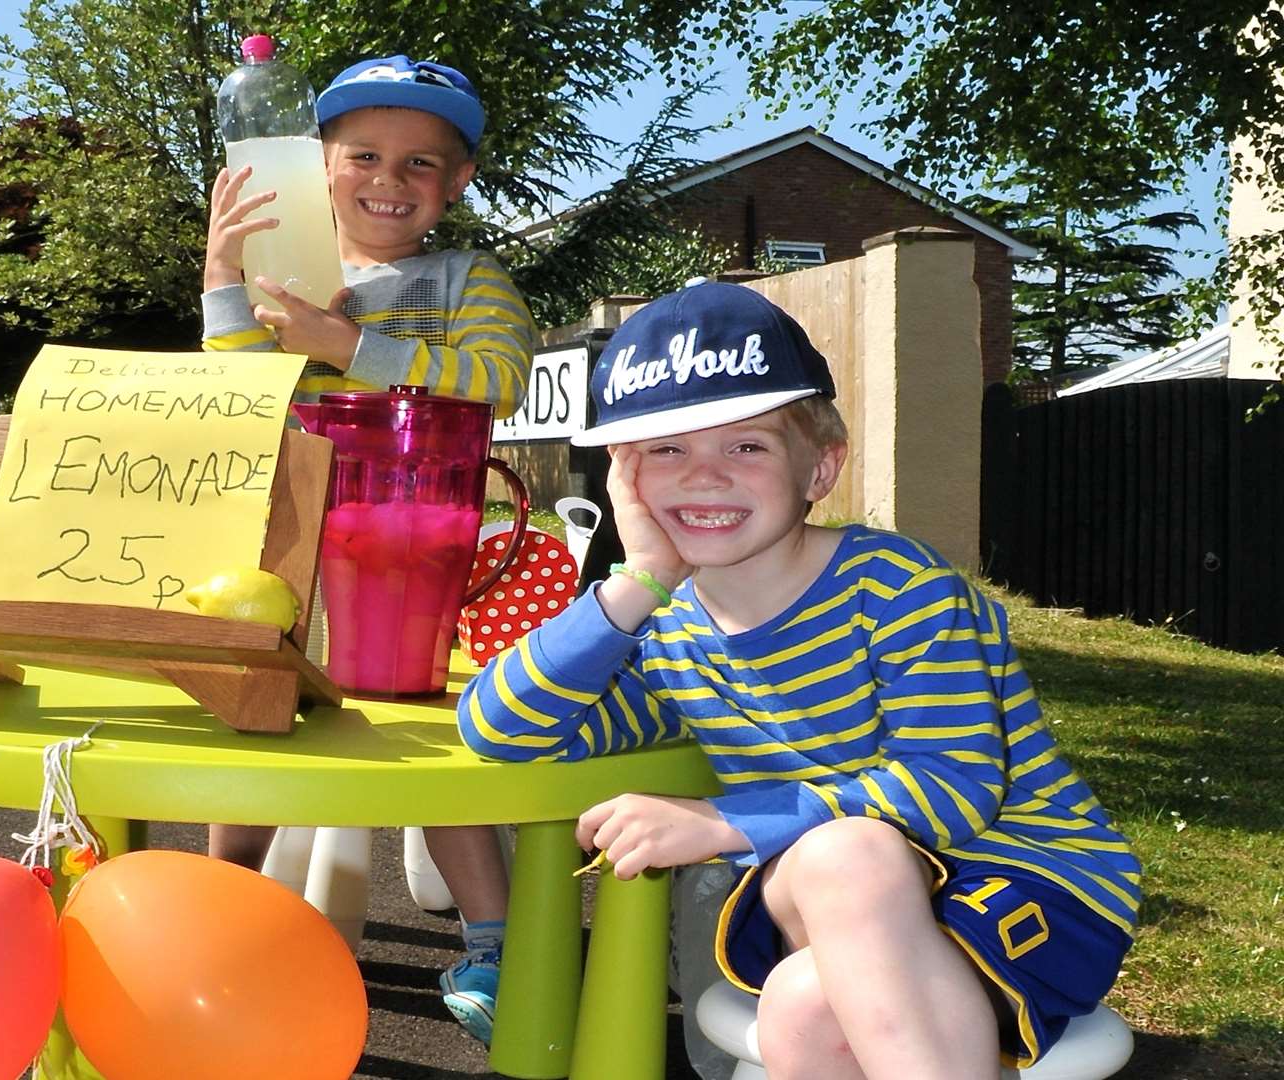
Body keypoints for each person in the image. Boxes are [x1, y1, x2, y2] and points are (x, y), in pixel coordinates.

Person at [457, 281, 1139, 1078]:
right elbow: (501, 727)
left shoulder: (895, 588)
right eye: (666, 450)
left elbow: (953, 786)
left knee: (823, 930)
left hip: (1027, 883)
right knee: (809, 980)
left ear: (820, 467)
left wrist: (719, 821)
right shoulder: (670, 634)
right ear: (624, 479)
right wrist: (635, 581)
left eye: (746, 446)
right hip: (842, 901)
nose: (704, 477)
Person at [201, 53, 537, 1042]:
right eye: (365, 156)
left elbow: (496, 380)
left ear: (459, 180)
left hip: (409, 556)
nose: (390, 180)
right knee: (256, 724)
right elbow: (236, 391)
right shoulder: (286, 271)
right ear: (318, 164)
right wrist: (227, 281)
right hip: (290, 549)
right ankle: (221, 909)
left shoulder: (467, 278)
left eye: (422, 162)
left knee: (425, 738)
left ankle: (495, 942)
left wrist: (346, 346)